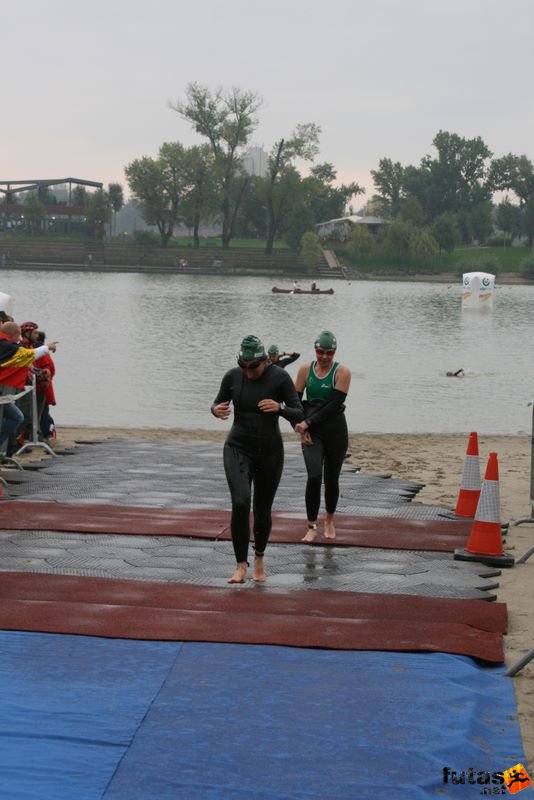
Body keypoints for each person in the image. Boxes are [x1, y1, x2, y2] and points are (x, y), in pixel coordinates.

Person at [211, 334, 303, 584]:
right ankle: (241, 565)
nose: (248, 372)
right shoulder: (232, 376)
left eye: (254, 366)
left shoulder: (280, 377)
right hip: (237, 446)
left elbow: (299, 412)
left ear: (264, 360)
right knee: (240, 503)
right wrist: (215, 409)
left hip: (269, 451)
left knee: (261, 510)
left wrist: (280, 408)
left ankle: (259, 558)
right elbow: (218, 402)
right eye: (244, 366)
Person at [294, 330, 351, 542]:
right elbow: (295, 402)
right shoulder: (304, 370)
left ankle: (328, 519)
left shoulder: (342, 372)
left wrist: (307, 422)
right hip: (312, 433)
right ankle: (311, 526)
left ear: (334, 352)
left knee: (331, 478)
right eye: (321, 352)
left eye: (329, 352)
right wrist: (300, 427)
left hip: (335, 430)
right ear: (315, 350)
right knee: (314, 475)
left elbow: (332, 405)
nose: (325, 357)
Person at [0, 322, 58, 457]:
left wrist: (38, 372)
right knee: (18, 417)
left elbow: (26, 360)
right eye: (18, 335)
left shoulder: (7, 345)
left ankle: (5, 451)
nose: (19, 338)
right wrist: (47, 347)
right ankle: (6, 450)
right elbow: (26, 355)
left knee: (17, 417)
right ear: (13, 334)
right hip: (5, 393)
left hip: (7, 393)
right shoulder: (7, 345)